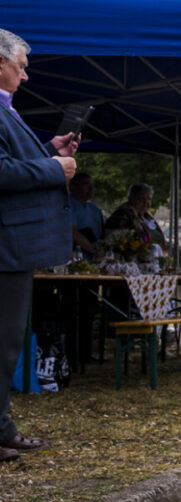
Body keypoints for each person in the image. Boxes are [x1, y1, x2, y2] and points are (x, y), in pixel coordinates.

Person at [0, 28, 75, 464]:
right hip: (5, 247)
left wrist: (49, 150)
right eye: (21, 66)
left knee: (6, 343)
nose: (26, 76)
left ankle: (3, 428)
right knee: (3, 342)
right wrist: (53, 168)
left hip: (12, 247)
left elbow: (14, 161)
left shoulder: (6, 108)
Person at [105, 182, 166, 264]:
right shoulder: (122, 214)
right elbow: (113, 241)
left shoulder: (147, 217)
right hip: (129, 263)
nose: (146, 202)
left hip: (153, 262)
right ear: (132, 198)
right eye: (142, 199)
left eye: (149, 199)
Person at [67, 172, 103, 256]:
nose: (91, 188)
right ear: (73, 187)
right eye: (86, 184)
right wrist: (93, 250)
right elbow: (73, 233)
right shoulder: (67, 205)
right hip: (75, 258)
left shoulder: (95, 209)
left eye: (92, 185)